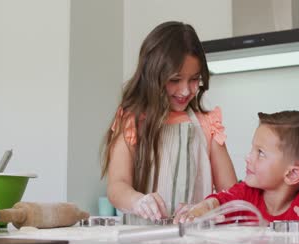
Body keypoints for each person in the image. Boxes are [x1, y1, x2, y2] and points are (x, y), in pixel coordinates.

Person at [100, 21, 237, 221]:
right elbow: (117, 186)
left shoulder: (208, 126)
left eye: (194, 79)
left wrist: (208, 208)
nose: (185, 90)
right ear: (152, 76)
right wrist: (138, 201)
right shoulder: (132, 122)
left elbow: (233, 194)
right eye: (175, 80)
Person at [175, 111, 299, 227]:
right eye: (253, 149)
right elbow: (217, 202)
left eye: (260, 153)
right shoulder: (245, 195)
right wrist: (201, 209)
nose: (248, 157)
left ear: (291, 174)